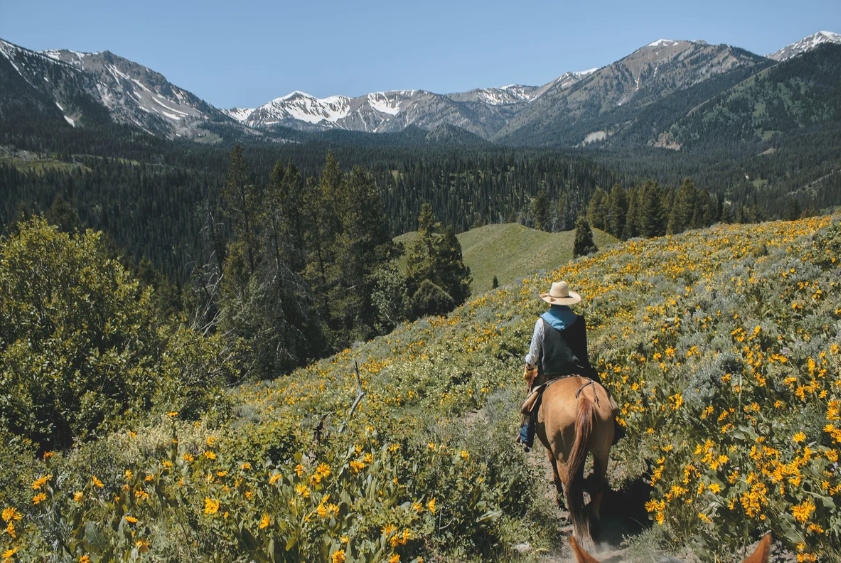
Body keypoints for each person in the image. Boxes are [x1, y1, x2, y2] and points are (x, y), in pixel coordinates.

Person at [517, 281, 624, 449]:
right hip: (581, 372)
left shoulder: (542, 323)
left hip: (551, 375)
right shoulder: (579, 321)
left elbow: (533, 355)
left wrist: (529, 367)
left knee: (530, 405)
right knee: (606, 398)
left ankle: (526, 434)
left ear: (551, 300)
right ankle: (614, 427)